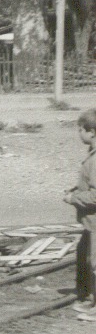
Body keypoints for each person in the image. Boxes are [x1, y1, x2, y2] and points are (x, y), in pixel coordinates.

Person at [64, 108, 96, 314]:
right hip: (90, 222)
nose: (78, 134)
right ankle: (90, 298)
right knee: (86, 256)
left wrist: (72, 198)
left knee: (95, 263)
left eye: (80, 130)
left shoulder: (95, 160)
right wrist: (77, 189)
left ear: (91, 132)